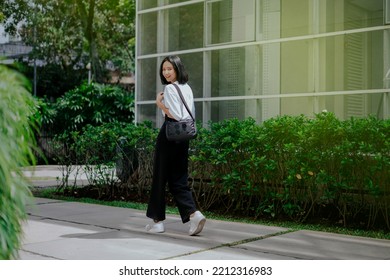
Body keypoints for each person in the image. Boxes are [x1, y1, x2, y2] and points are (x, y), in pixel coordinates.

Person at [145, 55, 206, 236]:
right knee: (178, 178)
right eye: (164, 70)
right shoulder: (187, 88)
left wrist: (160, 105)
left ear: (177, 69)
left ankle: (157, 222)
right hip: (184, 136)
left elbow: (175, 115)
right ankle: (194, 215)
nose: (166, 72)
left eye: (169, 69)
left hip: (169, 134)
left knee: (160, 176)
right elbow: (188, 115)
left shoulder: (170, 88)